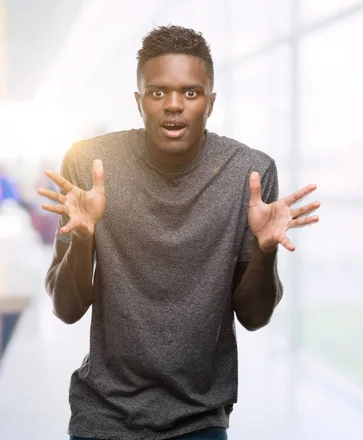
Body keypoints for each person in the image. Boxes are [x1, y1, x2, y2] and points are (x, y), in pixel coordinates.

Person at [38, 25, 320, 440]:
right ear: (139, 102)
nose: (174, 105)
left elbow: (254, 317)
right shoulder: (89, 163)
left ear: (211, 102)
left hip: (200, 419)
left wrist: (263, 251)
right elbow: (66, 309)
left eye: (191, 93)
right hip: (104, 416)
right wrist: (83, 237)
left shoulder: (250, 174)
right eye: (158, 93)